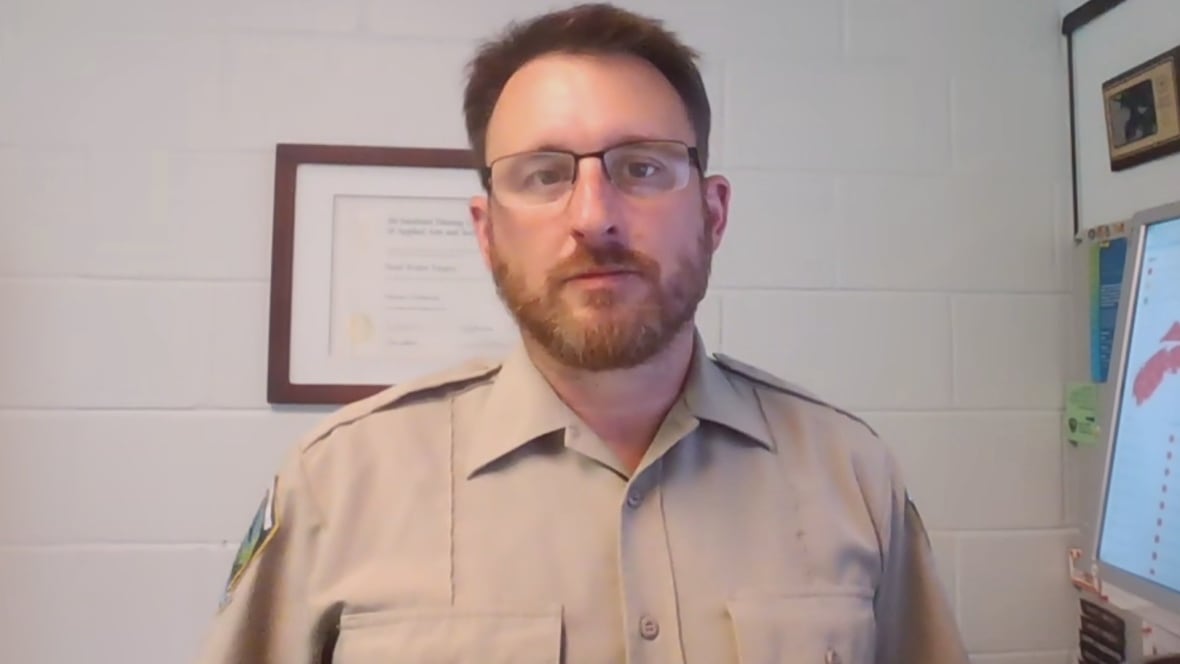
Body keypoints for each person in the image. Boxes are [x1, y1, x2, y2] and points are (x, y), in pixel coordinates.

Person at [194, 3, 971, 662]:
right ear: (487, 232)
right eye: (543, 173)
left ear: (713, 212)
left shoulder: (852, 473)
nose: (594, 215)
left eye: (642, 168)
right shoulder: (338, 482)